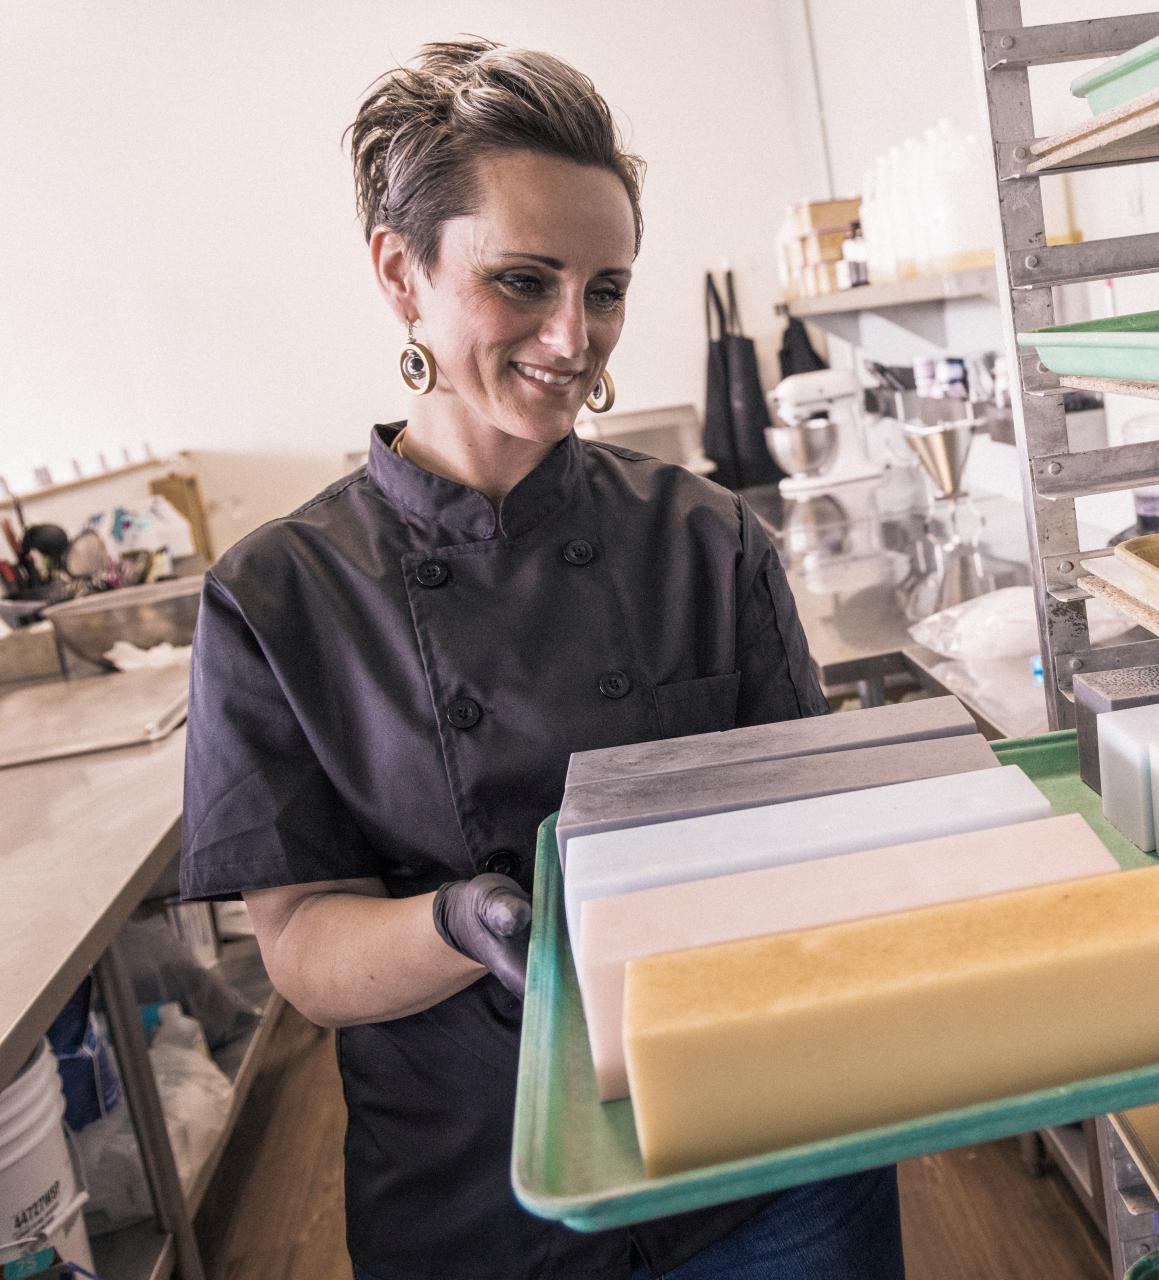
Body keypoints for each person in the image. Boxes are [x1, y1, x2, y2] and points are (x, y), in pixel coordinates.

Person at [179, 37, 905, 1280]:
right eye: (524, 281)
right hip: (481, 1188)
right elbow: (302, 949)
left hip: (768, 1154)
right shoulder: (277, 597)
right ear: (402, 273)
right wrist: (464, 920)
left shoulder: (706, 536)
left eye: (607, 287)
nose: (576, 337)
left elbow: (807, 830)